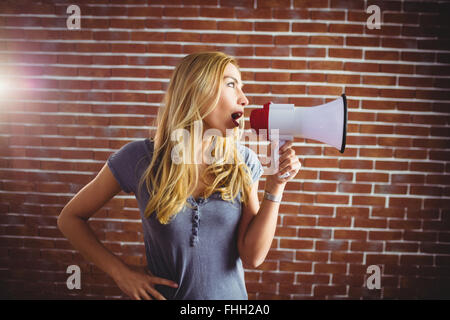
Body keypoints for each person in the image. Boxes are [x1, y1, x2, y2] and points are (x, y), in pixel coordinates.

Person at [57, 52, 301, 300]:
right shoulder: (139, 158)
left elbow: (252, 257)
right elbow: (70, 218)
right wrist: (120, 273)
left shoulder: (244, 161)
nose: (245, 99)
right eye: (231, 84)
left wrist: (276, 187)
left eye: (242, 87)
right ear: (198, 90)